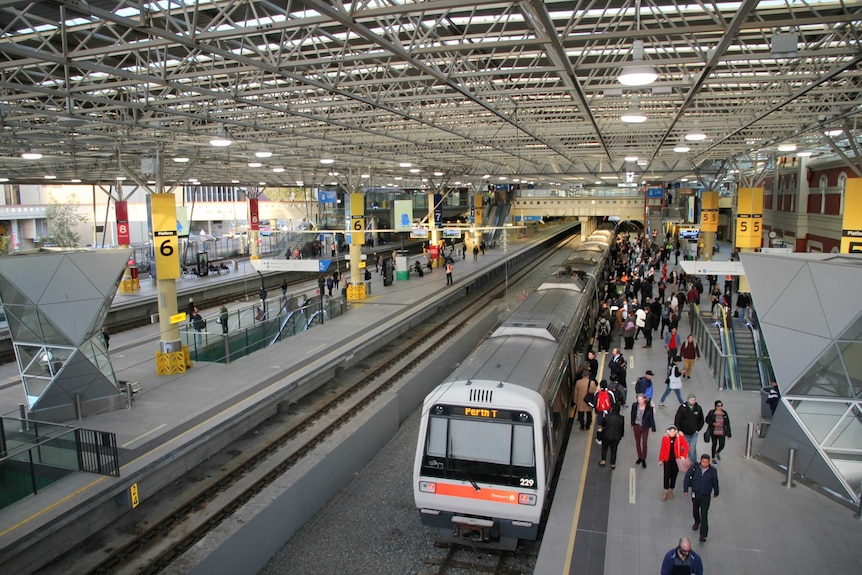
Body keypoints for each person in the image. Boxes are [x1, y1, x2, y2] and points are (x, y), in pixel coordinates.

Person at [684, 454, 720, 542]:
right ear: (701, 461)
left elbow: (715, 482)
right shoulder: (695, 468)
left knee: (704, 514)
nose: (705, 464)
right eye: (703, 462)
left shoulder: (713, 471)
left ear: (709, 462)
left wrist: (716, 491)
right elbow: (687, 477)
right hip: (696, 493)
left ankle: (703, 534)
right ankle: (697, 521)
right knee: (695, 510)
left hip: (705, 496)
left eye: (707, 462)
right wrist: (685, 489)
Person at [658, 424, 689, 501]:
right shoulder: (665, 438)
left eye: (673, 432)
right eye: (670, 432)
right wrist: (661, 460)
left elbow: (686, 446)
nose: (672, 433)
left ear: (676, 431)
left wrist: (683, 456)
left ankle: (671, 490)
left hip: (676, 460)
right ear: (668, 432)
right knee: (666, 475)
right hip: (667, 460)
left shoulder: (679, 438)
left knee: (674, 475)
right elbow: (663, 449)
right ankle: (665, 491)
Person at [675, 394, 705, 462]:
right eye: (691, 400)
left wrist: (698, 429)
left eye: (694, 400)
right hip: (684, 433)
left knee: (692, 449)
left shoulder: (698, 408)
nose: (693, 401)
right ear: (688, 400)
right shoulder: (682, 408)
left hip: (694, 433)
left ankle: (693, 464)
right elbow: (677, 420)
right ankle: (684, 462)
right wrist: (679, 430)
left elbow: (701, 420)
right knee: (684, 448)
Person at [631, 393, 656, 468]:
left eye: (640, 400)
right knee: (637, 442)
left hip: (645, 427)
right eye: (638, 400)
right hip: (637, 426)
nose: (639, 401)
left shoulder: (649, 408)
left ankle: (643, 458)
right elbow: (632, 414)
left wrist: (653, 428)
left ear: (644, 399)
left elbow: (651, 418)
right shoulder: (634, 405)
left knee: (644, 443)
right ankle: (640, 457)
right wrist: (632, 424)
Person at [599, 404, 625, 468]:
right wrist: (621, 435)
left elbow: (603, 425)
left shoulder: (607, 417)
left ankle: (603, 461)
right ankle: (613, 464)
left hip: (606, 436)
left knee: (604, 448)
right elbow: (622, 428)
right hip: (616, 437)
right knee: (614, 450)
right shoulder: (621, 418)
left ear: (611, 409)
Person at [591, 380, 616, 445]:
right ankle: (608, 437)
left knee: (600, 425)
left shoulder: (597, 393)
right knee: (608, 424)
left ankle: (599, 439)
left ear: (600, 385)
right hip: (608, 411)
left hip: (599, 411)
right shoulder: (610, 393)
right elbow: (613, 403)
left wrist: (596, 412)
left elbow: (595, 403)